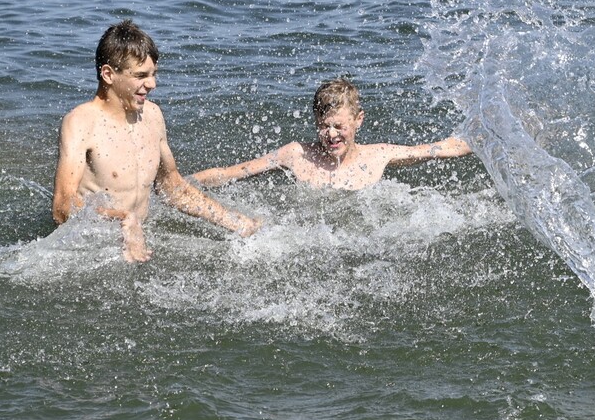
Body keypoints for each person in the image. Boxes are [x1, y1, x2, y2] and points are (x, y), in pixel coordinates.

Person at [52, 20, 261, 262]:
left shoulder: (152, 115)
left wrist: (234, 222)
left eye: (153, 74)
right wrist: (122, 218)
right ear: (108, 74)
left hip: (141, 243)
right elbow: (62, 207)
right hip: (89, 252)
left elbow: (171, 187)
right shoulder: (81, 123)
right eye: (141, 76)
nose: (152, 84)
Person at [190, 78, 472, 191]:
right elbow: (233, 172)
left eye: (340, 126)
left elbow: (440, 148)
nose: (332, 134)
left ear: (358, 120)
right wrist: (180, 184)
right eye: (324, 126)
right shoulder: (296, 154)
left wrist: (486, 139)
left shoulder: (379, 155)